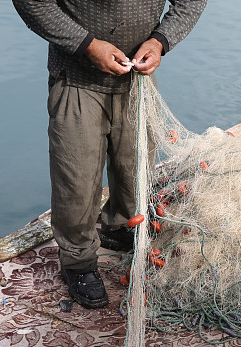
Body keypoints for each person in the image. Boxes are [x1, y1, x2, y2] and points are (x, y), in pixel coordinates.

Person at [13, 0, 206, 309]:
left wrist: (160, 41)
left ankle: (121, 228)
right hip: (78, 80)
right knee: (76, 178)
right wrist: (87, 45)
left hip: (137, 81)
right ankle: (78, 262)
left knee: (136, 168)